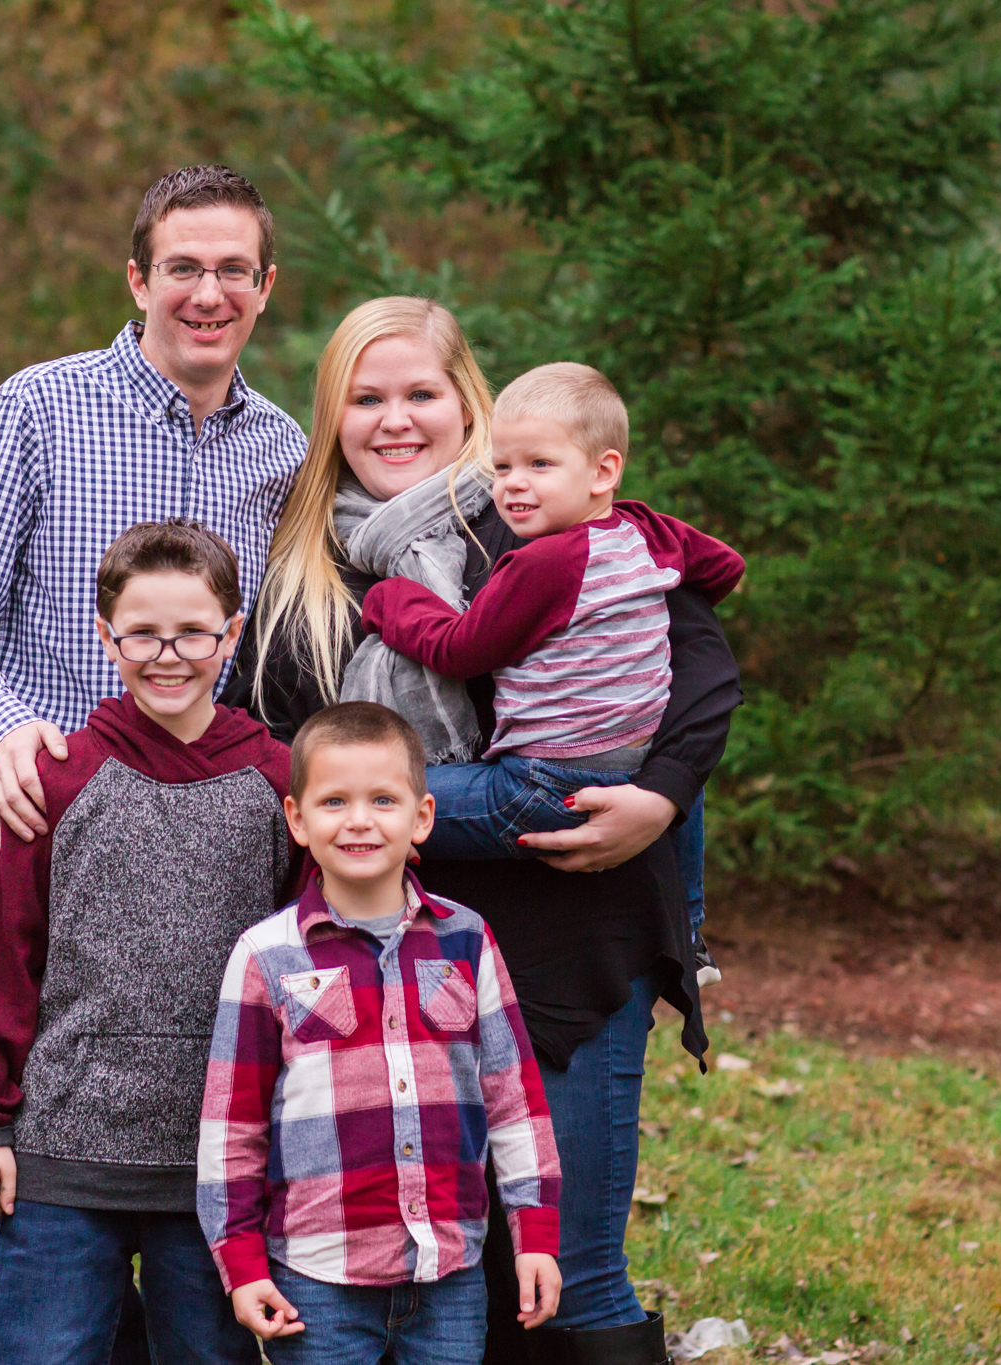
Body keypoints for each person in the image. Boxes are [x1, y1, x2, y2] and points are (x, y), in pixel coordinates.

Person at [221, 296, 743, 1363]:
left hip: (573, 930)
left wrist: (660, 795)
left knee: (572, 1268)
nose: (394, 419)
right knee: (434, 1264)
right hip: (393, 972)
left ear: (469, 403)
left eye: (421, 393)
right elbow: (264, 747)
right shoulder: (309, 564)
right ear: (331, 416)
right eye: (365, 398)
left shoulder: (540, 514)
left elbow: (699, 662)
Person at [0, 163, 306, 881]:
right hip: (56, 834)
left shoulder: (282, 451)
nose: (209, 295)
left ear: (265, 287)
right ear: (139, 281)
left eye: (233, 270)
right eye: (183, 268)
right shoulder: (39, 409)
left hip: (220, 855)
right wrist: (0, 731)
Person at [0, 521, 296, 1364]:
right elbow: (5, 961)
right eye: (142, 634)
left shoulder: (280, 782)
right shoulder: (56, 779)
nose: (168, 655)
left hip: (218, 1164)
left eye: (193, 632)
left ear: (233, 633)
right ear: (106, 638)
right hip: (63, 1150)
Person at [198, 701, 563, 1364]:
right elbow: (232, 1127)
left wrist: (534, 1233)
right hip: (317, 1279)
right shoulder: (266, 955)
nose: (360, 819)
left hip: (449, 1271)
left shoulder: (466, 939)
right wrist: (242, 1262)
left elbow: (515, 1099)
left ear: (422, 816)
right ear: (297, 819)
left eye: (383, 800)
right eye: (334, 801)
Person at [361, 362, 744, 862]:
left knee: (375, 806)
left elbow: (458, 651)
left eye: (540, 464)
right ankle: (691, 917)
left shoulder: (547, 562)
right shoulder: (647, 531)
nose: (514, 483)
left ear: (603, 471)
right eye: (502, 467)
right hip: (634, 762)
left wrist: (388, 597)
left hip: (544, 784)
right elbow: (724, 567)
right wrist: (631, 611)